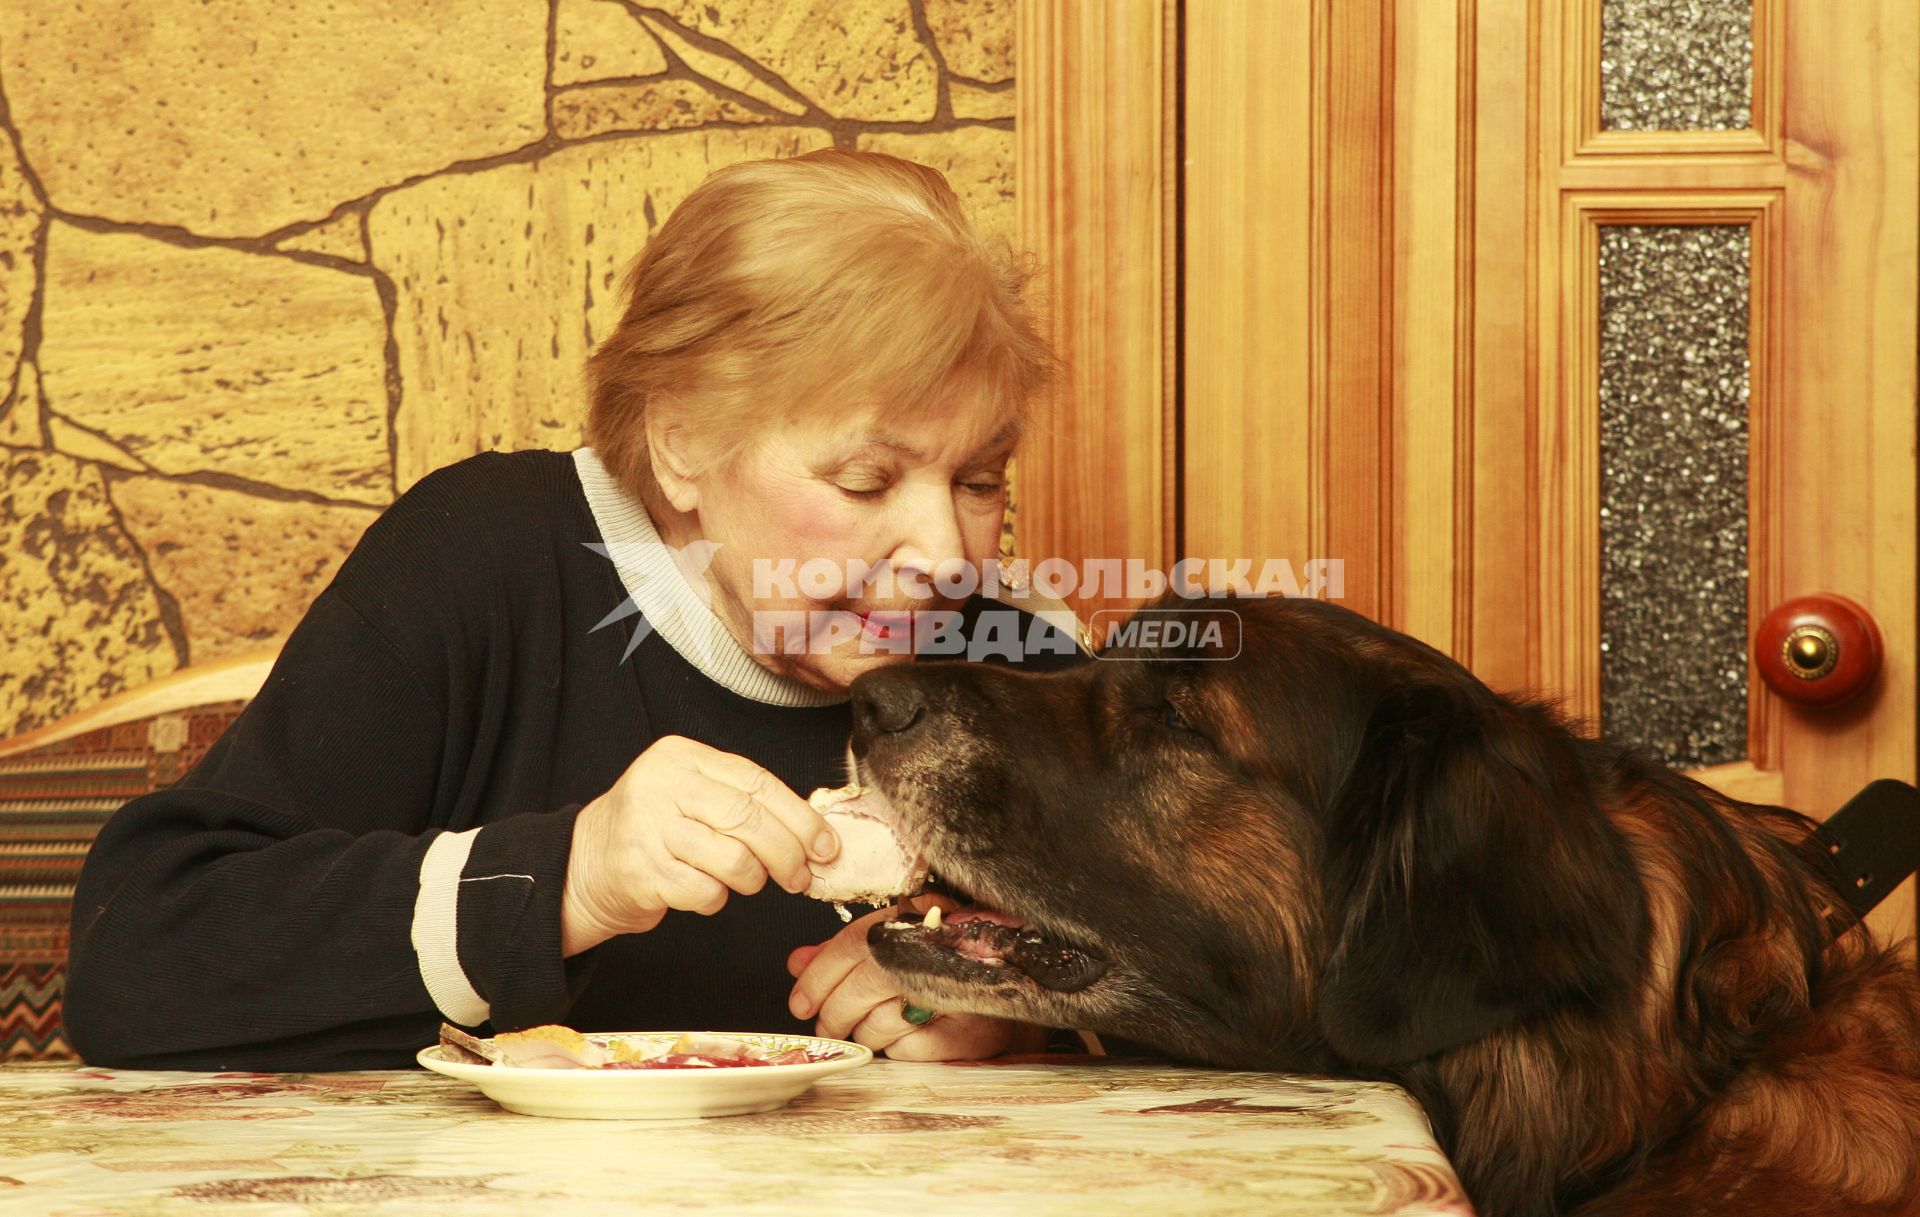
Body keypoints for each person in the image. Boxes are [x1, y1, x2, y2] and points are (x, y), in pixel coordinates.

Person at [62, 148, 1084, 1071]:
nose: (949, 556)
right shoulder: (483, 559)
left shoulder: (1023, 654)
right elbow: (137, 960)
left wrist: (1023, 998)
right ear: (682, 441)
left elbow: (1216, 978)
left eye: (981, 480)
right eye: (866, 480)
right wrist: (565, 879)